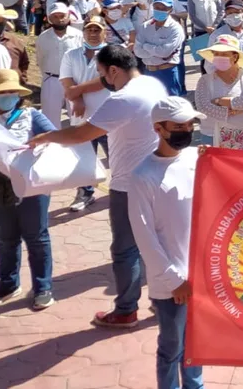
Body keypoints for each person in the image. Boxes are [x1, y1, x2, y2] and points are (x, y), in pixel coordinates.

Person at [27, 45, 168, 327]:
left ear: (114, 70)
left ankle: (126, 309)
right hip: (159, 178)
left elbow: (81, 133)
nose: (103, 80)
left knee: (126, 250)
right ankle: (163, 301)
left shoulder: (123, 99)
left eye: (103, 73)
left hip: (130, 185)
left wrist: (46, 137)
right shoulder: (153, 84)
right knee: (158, 245)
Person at [129, 97, 205, 389]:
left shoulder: (196, 159)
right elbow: (145, 237)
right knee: (172, 347)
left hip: (200, 274)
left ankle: (195, 386)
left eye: (189, 124)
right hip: (170, 282)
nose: (185, 130)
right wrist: (174, 280)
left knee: (196, 344)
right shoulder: (143, 176)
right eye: (178, 126)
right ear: (159, 129)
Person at [0, 69, 57, 309]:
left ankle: (43, 287)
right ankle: (8, 285)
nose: (7, 95)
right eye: (1, 92)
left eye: (12, 91)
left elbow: (55, 137)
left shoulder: (31, 115)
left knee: (37, 237)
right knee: (6, 238)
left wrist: (39, 142)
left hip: (31, 186)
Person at [60, 16, 111, 212]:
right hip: (80, 116)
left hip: (108, 115)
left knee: (115, 156)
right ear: (83, 32)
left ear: (104, 32)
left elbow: (107, 80)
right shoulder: (71, 55)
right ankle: (85, 193)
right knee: (83, 157)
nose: (93, 34)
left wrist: (76, 92)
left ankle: (122, 191)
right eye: (89, 30)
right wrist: (78, 99)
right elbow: (66, 80)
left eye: (97, 30)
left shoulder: (113, 54)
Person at [195, 35, 243, 149]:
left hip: (242, 134)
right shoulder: (204, 80)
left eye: (224, 54)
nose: (219, 57)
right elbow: (202, 106)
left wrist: (219, 101)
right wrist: (231, 111)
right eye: (216, 54)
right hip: (211, 134)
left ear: (235, 57)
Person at [36, 3, 84, 126]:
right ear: (49, 18)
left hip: (74, 81)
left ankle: (77, 143)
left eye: (62, 15)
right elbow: (41, 60)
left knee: (77, 117)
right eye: (55, 16)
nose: (59, 19)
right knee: (49, 119)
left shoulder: (78, 35)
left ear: (68, 16)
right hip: (51, 79)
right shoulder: (43, 37)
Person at [136, 0, 187, 97]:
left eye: (164, 8)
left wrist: (146, 46)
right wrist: (156, 51)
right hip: (149, 72)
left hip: (168, 72)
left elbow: (165, 52)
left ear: (170, 10)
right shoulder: (145, 26)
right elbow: (138, 51)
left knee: (170, 106)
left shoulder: (176, 29)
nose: (160, 10)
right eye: (157, 7)